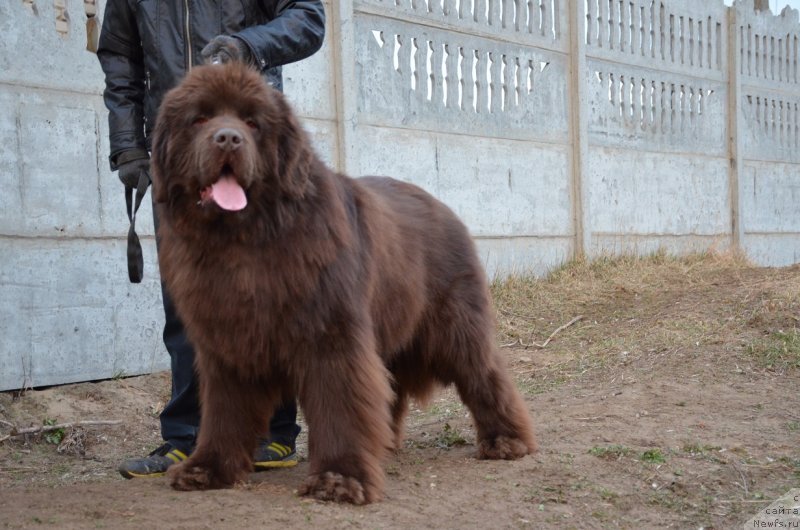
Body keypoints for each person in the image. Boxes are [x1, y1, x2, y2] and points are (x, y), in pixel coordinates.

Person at [96, 0, 326, 478]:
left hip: (253, 152)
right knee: (188, 307)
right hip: (181, 154)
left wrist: (247, 46)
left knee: (269, 299)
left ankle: (273, 433)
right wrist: (128, 146)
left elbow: (308, 16)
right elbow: (119, 55)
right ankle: (188, 437)